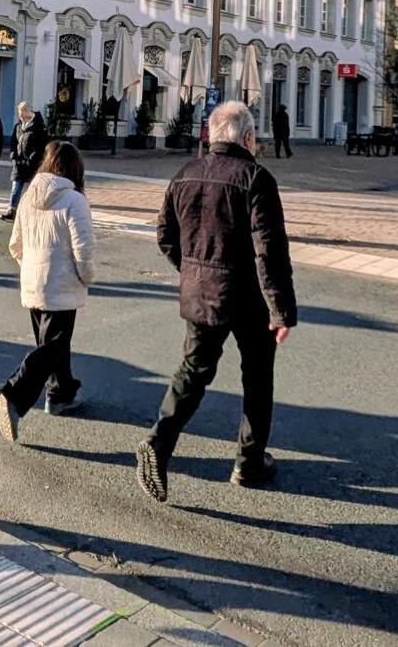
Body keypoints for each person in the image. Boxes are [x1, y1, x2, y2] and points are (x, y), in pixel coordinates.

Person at [136, 100, 297, 504]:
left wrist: (191, 270)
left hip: (201, 293)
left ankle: (159, 441)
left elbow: (164, 235)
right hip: (249, 299)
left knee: (193, 371)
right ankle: (249, 461)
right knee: (257, 377)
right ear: (247, 138)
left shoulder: (185, 174)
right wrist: (281, 310)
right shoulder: (256, 178)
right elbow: (269, 251)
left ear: (210, 135)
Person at [0, 142, 94, 439]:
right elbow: (83, 249)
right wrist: (86, 276)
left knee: (53, 345)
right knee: (52, 346)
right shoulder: (74, 200)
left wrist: (31, 267)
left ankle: (61, 394)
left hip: (33, 281)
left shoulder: (28, 197)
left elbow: (15, 244)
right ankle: (13, 393)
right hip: (62, 284)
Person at [4, 101, 50, 220]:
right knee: (16, 186)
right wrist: (13, 155)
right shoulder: (18, 126)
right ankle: (12, 209)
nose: (20, 116)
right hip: (19, 163)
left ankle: (36, 210)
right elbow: (14, 142)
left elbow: (42, 146)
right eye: (19, 113)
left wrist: (33, 158)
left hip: (33, 164)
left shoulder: (39, 127)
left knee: (34, 188)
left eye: (21, 113)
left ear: (28, 112)